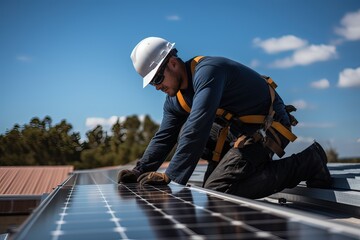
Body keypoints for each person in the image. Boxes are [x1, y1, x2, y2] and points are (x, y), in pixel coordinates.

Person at [117, 36, 332, 199]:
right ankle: (229, 167)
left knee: (218, 190)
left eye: (157, 79)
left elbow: (198, 126)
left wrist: (170, 176)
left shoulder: (208, 72)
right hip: (236, 131)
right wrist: (140, 170)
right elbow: (164, 136)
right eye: (152, 83)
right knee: (181, 132)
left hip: (268, 126)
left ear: (172, 62)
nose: (157, 87)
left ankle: (308, 162)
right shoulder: (175, 99)